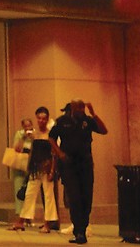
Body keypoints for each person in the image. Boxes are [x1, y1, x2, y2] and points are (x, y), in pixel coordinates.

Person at [52, 99, 108, 244]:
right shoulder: (62, 121)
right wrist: (60, 153)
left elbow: (103, 130)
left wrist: (94, 114)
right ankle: (79, 232)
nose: (81, 110)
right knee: (75, 197)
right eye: (78, 108)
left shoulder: (87, 121)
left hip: (85, 163)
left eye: (82, 108)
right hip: (69, 164)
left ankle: (83, 228)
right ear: (72, 108)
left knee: (86, 197)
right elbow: (51, 138)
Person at [10, 105, 61, 232]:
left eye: (44, 119)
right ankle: (21, 221)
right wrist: (23, 136)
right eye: (39, 118)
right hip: (34, 168)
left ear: (47, 119)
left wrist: (52, 170)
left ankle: (48, 223)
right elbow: (20, 149)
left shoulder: (51, 134)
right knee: (29, 194)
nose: (41, 121)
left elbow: (54, 153)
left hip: (47, 167)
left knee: (49, 196)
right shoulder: (34, 134)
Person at [9, 116, 32, 202]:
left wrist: (32, 137)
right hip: (20, 162)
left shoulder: (35, 134)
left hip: (30, 162)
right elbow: (16, 148)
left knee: (29, 187)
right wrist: (24, 137)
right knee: (19, 185)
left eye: (29, 125)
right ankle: (19, 211)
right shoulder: (19, 134)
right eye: (25, 126)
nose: (28, 128)